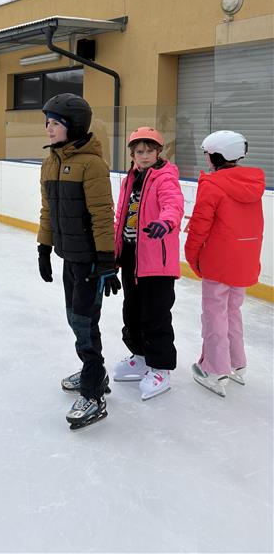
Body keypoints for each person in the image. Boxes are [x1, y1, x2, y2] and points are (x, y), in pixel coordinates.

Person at [37, 94, 120, 430]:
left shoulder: (92, 165)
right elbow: (48, 210)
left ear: (74, 126)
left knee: (85, 323)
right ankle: (93, 370)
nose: (48, 128)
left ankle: (94, 392)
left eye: (55, 123)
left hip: (89, 261)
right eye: (47, 122)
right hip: (68, 257)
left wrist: (106, 261)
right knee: (75, 318)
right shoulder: (51, 162)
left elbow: (102, 215)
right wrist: (44, 248)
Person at [185, 131, 265, 397]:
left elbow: (200, 226)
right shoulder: (251, 183)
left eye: (207, 153)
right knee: (232, 311)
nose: (206, 158)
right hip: (243, 261)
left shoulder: (212, 184)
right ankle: (237, 363)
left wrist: (192, 256)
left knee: (214, 315)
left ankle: (215, 369)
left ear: (215, 156)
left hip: (218, 262)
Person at [112, 127, 184, 400]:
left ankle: (161, 368)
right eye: (139, 151)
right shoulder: (130, 180)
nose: (144, 156)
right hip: (131, 257)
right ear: (132, 154)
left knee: (156, 314)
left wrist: (166, 222)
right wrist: (114, 250)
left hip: (156, 260)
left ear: (158, 152)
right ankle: (140, 356)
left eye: (150, 151)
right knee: (131, 311)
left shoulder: (165, 178)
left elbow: (173, 204)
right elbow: (121, 216)